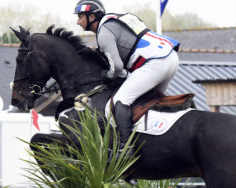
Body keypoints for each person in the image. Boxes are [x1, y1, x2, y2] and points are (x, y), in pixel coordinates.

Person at [74, 0, 180, 156]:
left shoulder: (104, 32)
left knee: (120, 100)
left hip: (155, 63)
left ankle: (125, 149)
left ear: (92, 16)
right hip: (171, 57)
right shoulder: (116, 18)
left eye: (81, 16)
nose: (78, 22)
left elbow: (116, 68)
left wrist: (107, 76)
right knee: (146, 102)